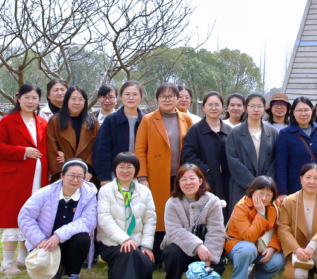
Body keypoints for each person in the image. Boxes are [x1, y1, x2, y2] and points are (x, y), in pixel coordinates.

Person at [0, 84, 49, 277]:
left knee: (32, 216)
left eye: (34, 98)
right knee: (13, 218)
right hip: (16, 179)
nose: (31, 102)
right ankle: (7, 262)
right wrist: (23, 152)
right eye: (27, 98)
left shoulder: (42, 122)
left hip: (38, 178)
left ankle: (23, 258)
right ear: (18, 98)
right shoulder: (7, 121)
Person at [135, 82, 194, 263]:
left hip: (180, 177)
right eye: (163, 96)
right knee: (157, 214)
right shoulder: (148, 119)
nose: (167, 100)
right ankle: (156, 255)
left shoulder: (186, 119)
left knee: (180, 213)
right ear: (157, 99)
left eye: (171, 96)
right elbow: (140, 150)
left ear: (177, 98)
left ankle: (177, 254)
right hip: (156, 176)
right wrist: (142, 177)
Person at [17, 160, 97, 279]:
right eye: (71, 176)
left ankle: (73, 276)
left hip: (69, 241)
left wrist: (59, 236)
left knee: (82, 238)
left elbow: (88, 221)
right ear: (62, 176)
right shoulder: (46, 193)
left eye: (80, 177)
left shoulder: (89, 194)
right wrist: (40, 239)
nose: (75, 180)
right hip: (48, 241)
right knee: (50, 245)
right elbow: (25, 216)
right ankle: (56, 271)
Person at [96, 153, 157, 279]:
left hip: (138, 243)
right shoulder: (105, 191)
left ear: (136, 170)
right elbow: (104, 220)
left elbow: (150, 220)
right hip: (112, 243)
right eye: (121, 167)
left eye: (129, 167)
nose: (125, 171)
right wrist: (124, 239)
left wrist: (146, 246)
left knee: (142, 257)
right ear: (115, 169)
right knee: (129, 252)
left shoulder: (145, 191)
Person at [160, 164, 226, 279]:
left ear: (200, 181)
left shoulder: (213, 201)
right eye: (184, 179)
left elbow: (216, 231)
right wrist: (197, 246)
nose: (188, 183)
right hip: (181, 249)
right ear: (178, 183)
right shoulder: (172, 203)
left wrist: (209, 258)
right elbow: (174, 232)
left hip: (207, 249)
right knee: (172, 252)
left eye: (192, 178)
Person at [225, 175, 286, 279]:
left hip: (262, 248)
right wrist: (261, 213)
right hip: (238, 246)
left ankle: (257, 277)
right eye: (260, 193)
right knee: (248, 249)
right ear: (252, 191)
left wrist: (272, 247)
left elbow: (279, 229)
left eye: (268, 195)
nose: (264, 198)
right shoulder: (241, 206)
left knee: (280, 258)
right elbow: (249, 236)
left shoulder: (276, 204)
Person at [225, 93, 278, 210]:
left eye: (259, 106)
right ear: (245, 108)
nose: (256, 110)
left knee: (264, 218)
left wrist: (264, 184)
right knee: (242, 218)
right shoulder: (235, 133)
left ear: (265, 108)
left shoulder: (272, 133)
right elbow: (233, 161)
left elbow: (276, 160)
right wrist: (254, 186)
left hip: (266, 190)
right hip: (242, 187)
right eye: (252, 106)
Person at [182, 92, 231, 202]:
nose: (213, 108)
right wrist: (205, 169)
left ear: (222, 108)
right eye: (210, 105)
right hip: (203, 180)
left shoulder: (229, 131)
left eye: (217, 105)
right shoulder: (195, 130)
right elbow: (187, 156)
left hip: (226, 181)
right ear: (203, 107)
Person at [93, 80, 145, 185]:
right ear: (121, 97)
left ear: (141, 97)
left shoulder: (146, 120)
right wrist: (104, 177)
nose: (131, 98)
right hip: (115, 173)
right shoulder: (111, 120)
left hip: (140, 174)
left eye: (135, 94)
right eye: (127, 94)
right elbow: (101, 150)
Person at [46, 85, 98, 183]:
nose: (77, 103)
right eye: (73, 99)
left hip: (87, 175)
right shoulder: (55, 121)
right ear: (67, 100)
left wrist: (90, 170)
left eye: (81, 99)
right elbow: (51, 148)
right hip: (63, 175)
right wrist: (62, 173)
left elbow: (98, 148)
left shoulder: (92, 121)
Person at [275, 96, 317, 196]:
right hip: (295, 189)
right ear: (293, 112)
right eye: (299, 110)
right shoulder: (285, 134)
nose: (303, 114)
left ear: (312, 111)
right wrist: (282, 192)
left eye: (306, 110)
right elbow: (281, 165)